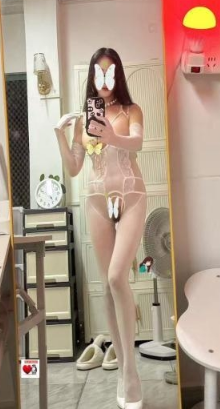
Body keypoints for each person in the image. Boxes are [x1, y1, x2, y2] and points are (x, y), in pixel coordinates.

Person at [55, 47, 146, 409]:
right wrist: (59, 134)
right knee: (109, 286)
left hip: (131, 196)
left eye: (110, 73)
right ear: (92, 76)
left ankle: (132, 371)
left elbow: (138, 142)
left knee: (116, 276)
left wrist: (111, 136)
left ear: (117, 75)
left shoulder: (131, 110)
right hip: (95, 200)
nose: (104, 80)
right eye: (98, 73)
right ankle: (122, 367)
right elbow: (75, 167)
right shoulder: (83, 121)